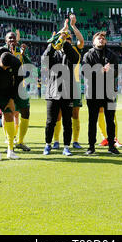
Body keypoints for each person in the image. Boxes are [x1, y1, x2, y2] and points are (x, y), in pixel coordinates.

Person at [42, 28, 81, 156]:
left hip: (67, 92)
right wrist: (53, 44)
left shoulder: (71, 53)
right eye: (63, 38)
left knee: (67, 122)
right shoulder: (53, 53)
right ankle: (48, 145)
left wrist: (65, 43)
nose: (64, 40)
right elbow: (45, 60)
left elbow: (75, 59)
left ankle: (66, 147)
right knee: (50, 121)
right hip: (52, 92)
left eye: (67, 39)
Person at [82, 31, 120, 155]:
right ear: (93, 41)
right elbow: (85, 72)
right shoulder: (88, 55)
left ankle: (111, 146)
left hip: (109, 92)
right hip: (92, 92)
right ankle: (91, 147)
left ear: (106, 41)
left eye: (103, 38)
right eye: (99, 38)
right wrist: (100, 71)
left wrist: (110, 71)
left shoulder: (112, 55)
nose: (101, 40)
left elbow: (117, 72)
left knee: (110, 120)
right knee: (92, 120)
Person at [52, 14, 85, 150]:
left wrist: (72, 26)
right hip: (59, 85)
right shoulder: (56, 50)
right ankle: (55, 141)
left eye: (70, 38)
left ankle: (75, 141)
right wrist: (63, 30)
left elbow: (81, 40)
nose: (68, 39)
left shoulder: (76, 49)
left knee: (75, 114)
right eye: (66, 37)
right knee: (58, 114)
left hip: (75, 85)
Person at [3, 30, 32, 152]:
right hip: (7, 87)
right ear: (6, 41)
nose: (12, 40)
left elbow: (29, 66)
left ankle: (20, 141)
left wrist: (23, 54)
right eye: (9, 38)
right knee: (8, 113)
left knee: (25, 112)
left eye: (13, 39)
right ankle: (9, 139)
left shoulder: (20, 53)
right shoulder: (2, 52)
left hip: (21, 86)